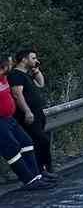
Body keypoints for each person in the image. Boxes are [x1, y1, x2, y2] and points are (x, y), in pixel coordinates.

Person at [9, 49, 53, 181]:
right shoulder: (16, 75)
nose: (36, 61)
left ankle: (41, 170)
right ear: (24, 59)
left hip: (37, 113)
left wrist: (36, 70)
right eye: (33, 58)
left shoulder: (26, 74)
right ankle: (43, 169)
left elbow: (41, 83)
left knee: (39, 142)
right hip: (27, 115)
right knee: (41, 140)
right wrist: (27, 111)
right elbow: (17, 94)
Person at [0, 58, 43, 189]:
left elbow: (40, 84)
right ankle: (28, 181)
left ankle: (36, 176)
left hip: (9, 118)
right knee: (11, 149)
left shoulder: (4, 79)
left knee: (26, 142)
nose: (12, 65)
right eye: (9, 63)